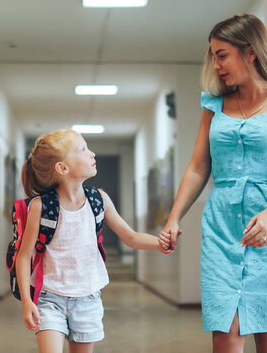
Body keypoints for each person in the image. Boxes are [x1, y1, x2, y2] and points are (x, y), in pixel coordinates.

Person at [159, 14, 267, 353]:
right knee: (225, 335)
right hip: (222, 228)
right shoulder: (213, 107)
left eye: (222, 55)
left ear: (251, 52)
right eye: (213, 56)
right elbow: (198, 169)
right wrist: (174, 218)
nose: (216, 65)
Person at [17, 129, 170, 353]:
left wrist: (159, 242)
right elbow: (24, 256)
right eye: (83, 149)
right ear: (62, 168)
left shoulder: (99, 200)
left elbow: (130, 237)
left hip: (87, 299)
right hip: (50, 299)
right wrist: (26, 302)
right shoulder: (41, 207)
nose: (92, 153)